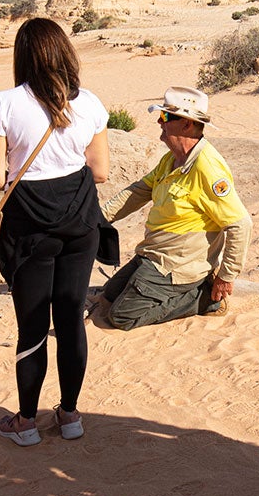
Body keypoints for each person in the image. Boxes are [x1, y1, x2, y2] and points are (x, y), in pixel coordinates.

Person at [0, 18, 110, 445]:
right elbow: (101, 171)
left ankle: (27, 422)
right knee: (71, 318)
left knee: (32, 325)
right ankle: (70, 417)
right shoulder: (89, 103)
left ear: (24, 56)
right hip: (80, 222)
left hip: (30, 227)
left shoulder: (6, 103)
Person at [99, 86, 250, 330]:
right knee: (109, 295)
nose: (160, 121)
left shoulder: (207, 167)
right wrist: (99, 217)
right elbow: (140, 190)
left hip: (176, 265)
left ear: (188, 125)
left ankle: (205, 299)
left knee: (121, 316)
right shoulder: (171, 159)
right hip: (152, 254)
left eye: (166, 117)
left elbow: (240, 224)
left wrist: (226, 275)